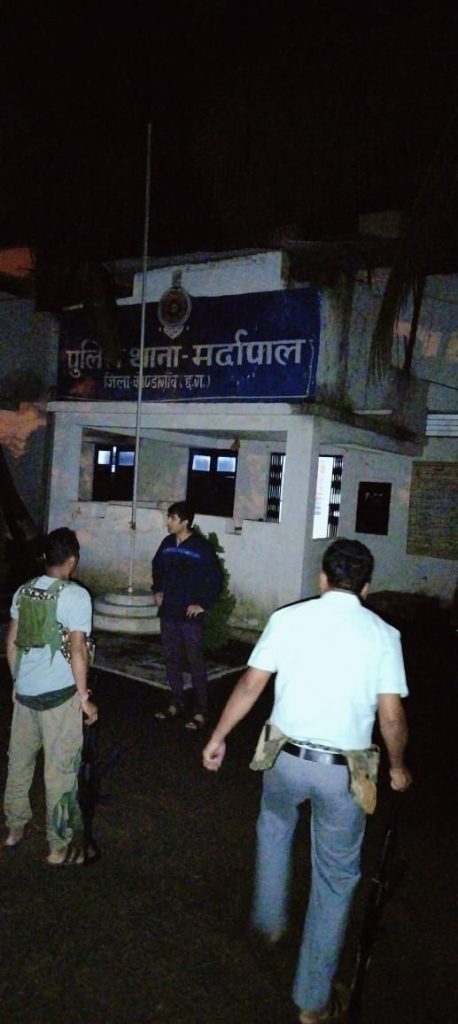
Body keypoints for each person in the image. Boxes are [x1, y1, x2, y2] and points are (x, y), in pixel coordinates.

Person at [203, 538, 412, 1024]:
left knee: (275, 824)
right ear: (366, 587)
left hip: (283, 757)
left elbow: (250, 685)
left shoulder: (287, 619)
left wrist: (218, 737)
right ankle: (313, 1000)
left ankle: (270, 917)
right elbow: (391, 717)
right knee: (335, 878)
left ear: (322, 578)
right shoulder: (384, 635)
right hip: (345, 772)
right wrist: (398, 767)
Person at [2, 527, 97, 866]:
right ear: (71, 561)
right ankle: (59, 847)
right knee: (60, 773)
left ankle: (14, 828)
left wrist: (17, 682)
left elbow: (12, 642)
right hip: (59, 697)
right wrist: (84, 697)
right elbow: (78, 650)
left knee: (19, 763)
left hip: (26, 693)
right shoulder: (76, 596)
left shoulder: (23, 591)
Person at [152, 501, 223, 730]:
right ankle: (176, 703)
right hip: (169, 611)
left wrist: (203, 604)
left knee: (195, 662)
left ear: (185, 522)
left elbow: (215, 578)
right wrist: (158, 589)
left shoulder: (201, 547)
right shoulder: (167, 543)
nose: (168, 522)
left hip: (190, 616)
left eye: (172, 518)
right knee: (171, 658)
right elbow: (157, 567)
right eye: (168, 517)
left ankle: (201, 711)